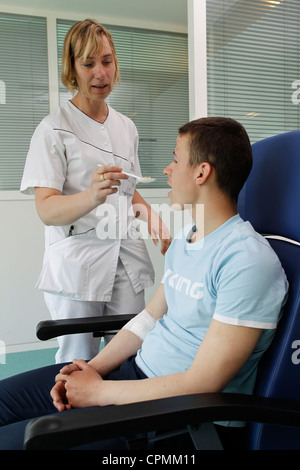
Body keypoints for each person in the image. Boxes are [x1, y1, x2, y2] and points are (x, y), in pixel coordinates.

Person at [0, 117, 288, 450]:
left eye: (176, 159)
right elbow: (149, 318)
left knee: (17, 442)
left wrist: (98, 392)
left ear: (201, 172)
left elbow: (204, 383)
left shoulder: (248, 262)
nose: (168, 169)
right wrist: (88, 369)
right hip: (135, 378)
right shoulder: (187, 239)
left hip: (179, 418)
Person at [20, 19, 171, 363]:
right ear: (72, 69)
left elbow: (129, 190)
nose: (100, 73)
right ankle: (73, 418)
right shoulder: (52, 129)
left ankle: (126, 415)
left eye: (106, 61)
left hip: (125, 258)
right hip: (79, 263)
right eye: (88, 64)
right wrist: (91, 195)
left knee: (132, 351)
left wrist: (151, 218)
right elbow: (46, 209)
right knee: (78, 360)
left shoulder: (126, 126)